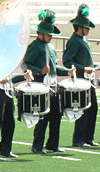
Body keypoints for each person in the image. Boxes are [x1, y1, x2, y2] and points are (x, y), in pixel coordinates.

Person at [23, 9, 74, 155]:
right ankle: (37, 146)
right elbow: (26, 64)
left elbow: (54, 67)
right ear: (41, 33)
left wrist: (66, 71)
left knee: (56, 115)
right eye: (49, 34)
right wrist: (39, 71)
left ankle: (53, 144)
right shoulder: (34, 46)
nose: (51, 36)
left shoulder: (51, 47)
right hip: (40, 84)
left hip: (53, 84)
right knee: (42, 116)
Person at [63, 4, 99, 147]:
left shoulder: (83, 40)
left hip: (88, 79)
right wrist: (83, 68)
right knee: (83, 109)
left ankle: (88, 138)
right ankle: (78, 139)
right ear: (80, 27)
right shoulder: (74, 41)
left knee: (93, 108)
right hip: (80, 80)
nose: (89, 30)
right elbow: (67, 61)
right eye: (87, 27)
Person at [0, 73, 29, 159]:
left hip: (8, 90)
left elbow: (10, 77)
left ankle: (6, 150)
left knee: (9, 122)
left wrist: (23, 76)